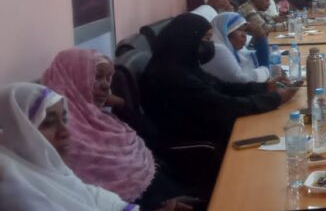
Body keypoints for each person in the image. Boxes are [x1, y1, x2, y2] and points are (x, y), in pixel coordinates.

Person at [40, 50, 193, 209]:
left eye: (108, 78)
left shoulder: (98, 119)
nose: (106, 86)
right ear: (73, 80)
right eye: (97, 77)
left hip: (169, 193)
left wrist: (121, 104)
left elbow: (153, 136)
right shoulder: (64, 137)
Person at [140, 13, 297, 146]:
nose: (210, 45)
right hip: (200, 145)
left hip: (211, 128)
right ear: (188, 39)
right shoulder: (173, 76)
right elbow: (224, 107)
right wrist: (275, 98)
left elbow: (222, 87)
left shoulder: (182, 63)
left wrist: (265, 87)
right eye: (206, 38)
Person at [0, 82, 154, 211]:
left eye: (64, 119)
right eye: (49, 123)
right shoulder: (12, 186)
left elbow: (89, 194)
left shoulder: (48, 167)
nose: (65, 132)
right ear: (16, 130)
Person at [201, 12, 278, 83]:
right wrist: (261, 39)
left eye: (245, 31)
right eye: (239, 30)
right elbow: (244, 82)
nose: (244, 35)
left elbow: (260, 59)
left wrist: (260, 39)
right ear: (224, 32)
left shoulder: (237, 51)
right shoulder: (217, 51)